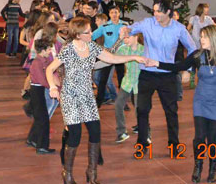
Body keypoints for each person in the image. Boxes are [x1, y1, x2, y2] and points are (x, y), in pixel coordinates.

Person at [46, 17, 149, 184]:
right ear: (77, 35)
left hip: (87, 95)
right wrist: (52, 87)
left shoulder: (92, 46)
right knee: (75, 136)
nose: (91, 34)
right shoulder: (68, 49)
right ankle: (67, 174)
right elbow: (50, 69)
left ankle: (91, 173)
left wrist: (134, 57)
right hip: (70, 96)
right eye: (87, 32)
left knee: (95, 132)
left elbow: (112, 58)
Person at [147, 25, 216, 183]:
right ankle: (198, 166)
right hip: (201, 101)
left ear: (213, 38)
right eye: (201, 36)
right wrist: (157, 63)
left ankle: (213, 168)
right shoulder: (197, 55)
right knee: (199, 137)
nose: (201, 39)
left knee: (212, 139)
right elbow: (178, 67)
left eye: (204, 37)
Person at [120, 0, 198, 159]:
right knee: (142, 110)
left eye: (158, 11)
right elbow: (131, 29)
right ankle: (142, 144)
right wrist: (125, 30)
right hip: (147, 74)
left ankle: (174, 146)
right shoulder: (147, 23)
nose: (155, 14)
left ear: (168, 12)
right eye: (154, 11)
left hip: (167, 76)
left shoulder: (179, 28)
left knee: (171, 112)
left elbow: (193, 48)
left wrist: (188, 70)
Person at [26, 36, 57, 154]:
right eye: (48, 49)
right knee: (43, 119)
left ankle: (33, 140)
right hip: (37, 90)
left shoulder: (44, 60)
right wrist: (54, 88)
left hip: (39, 90)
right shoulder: (37, 63)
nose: (50, 51)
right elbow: (42, 80)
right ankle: (42, 146)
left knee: (41, 118)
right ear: (42, 50)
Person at [92, 6, 129, 107]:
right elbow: (91, 36)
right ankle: (99, 101)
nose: (114, 14)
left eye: (116, 12)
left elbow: (130, 37)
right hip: (108, 56)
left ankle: (123, 102)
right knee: (103, 79)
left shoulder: (125, 25)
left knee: (122, 80)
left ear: (119, 13)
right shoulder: (104, 26)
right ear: (109, 14)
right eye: (112, 12)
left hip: (121, 56)